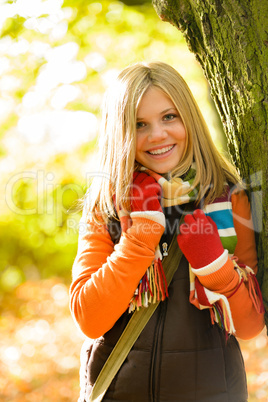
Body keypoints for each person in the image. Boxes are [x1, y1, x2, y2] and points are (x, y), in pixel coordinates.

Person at [70, 61, 265, 402]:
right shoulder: (109, 202)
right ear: (121, 132)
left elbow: (250, 327)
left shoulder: (229, 198)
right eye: (139, 124)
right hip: (117, 391)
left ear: (188, 118)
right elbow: (89, 318)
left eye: (169, 117)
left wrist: (215, 265)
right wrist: (141, 234)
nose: (157, 134)